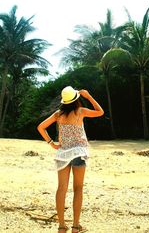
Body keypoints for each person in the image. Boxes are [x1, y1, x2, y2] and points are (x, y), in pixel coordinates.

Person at [37, 86, 104, 233]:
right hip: (79, 153)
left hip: (62, 154)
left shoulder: (58, 114)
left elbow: (41, 127)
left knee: (61, 188)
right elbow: (100, 112)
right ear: (76, 99)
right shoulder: (80, 111)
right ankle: (75, 226)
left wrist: (51, 143)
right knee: (78, 188)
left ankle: (61, 226)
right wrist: (89, 96)